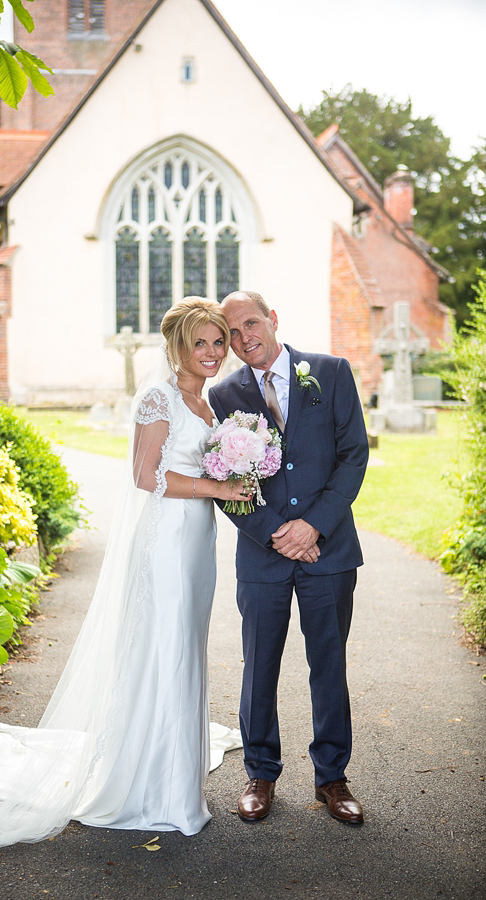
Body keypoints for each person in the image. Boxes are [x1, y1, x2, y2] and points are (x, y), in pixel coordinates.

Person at [0, 297, 247, 850]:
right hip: (167, 540)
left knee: (185, 643)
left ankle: (175, 765)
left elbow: (206, 461)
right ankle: (155, 785)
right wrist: (218, 486)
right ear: (176, 346)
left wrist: (236, 476)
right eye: (199, 342)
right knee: (163, 645)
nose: (211, 352)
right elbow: (143, 475)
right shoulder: (158, 398)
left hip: (198, 541)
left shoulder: (208, 404)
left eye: (218, 341)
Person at [208, 290, 369, 826]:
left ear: (272, 320)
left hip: (329, 550)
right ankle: (260, 773)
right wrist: (278, 532)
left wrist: (312, 525)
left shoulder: (330, 371)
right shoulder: (223, 394)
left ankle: (333, 778)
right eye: (231, 333)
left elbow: (353, 457)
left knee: (329, 665)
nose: (243, 337)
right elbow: (224, 479)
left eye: (250, 323)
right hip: (264, 555)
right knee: (259, 668)